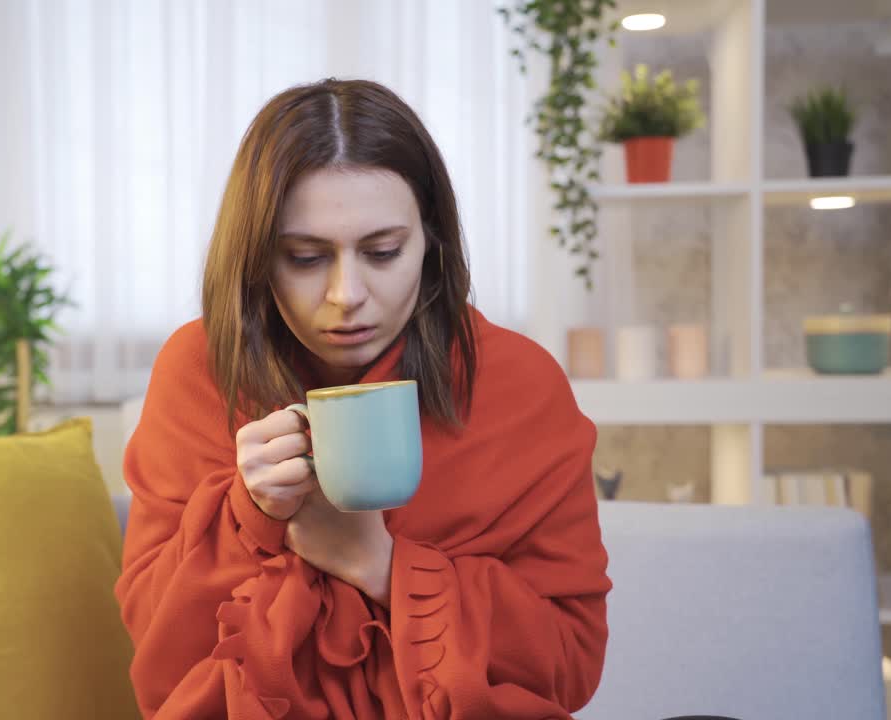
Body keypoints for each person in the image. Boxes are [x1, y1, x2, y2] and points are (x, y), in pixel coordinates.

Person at [115, 78, 611, 720]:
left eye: (382, 252)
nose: (347, 293)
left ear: (431, 242)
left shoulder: (518, 382)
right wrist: (247, 518)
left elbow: (571, 662)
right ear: (257, 259)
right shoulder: (199, 371)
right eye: (304, 257)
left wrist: (378, 564)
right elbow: (156, 656)